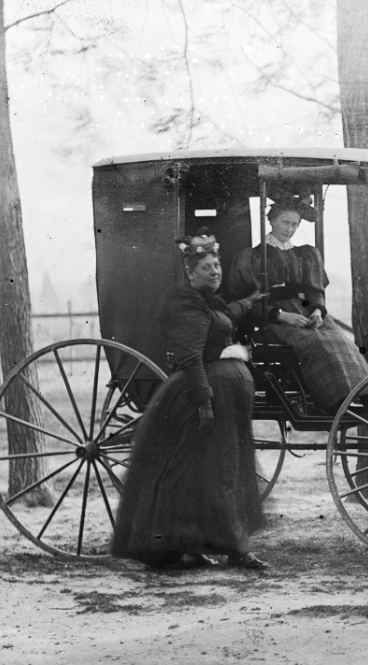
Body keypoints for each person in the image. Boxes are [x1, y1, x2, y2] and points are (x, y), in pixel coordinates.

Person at [112, 230, 269, 570]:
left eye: (217, 266)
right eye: (207, 268)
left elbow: (224, 316)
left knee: (214, 470)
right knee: (216, 471)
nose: (215, 272)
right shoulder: (182, 302)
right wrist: (205, 402)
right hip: (201, 397)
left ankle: (199, 546)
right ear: (190, 272)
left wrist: (250, 301)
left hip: (222, 395)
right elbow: (191, 356)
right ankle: (233, 549)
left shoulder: (206, 301)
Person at [228, 194, 368, 413]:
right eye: (285, 222)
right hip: (270, 319)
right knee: (316, 345)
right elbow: (248, 301)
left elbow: (315, 290)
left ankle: (362, 395)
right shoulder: (252, 257)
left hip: (303, 310)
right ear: (272, 220)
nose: (290, 229)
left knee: (342, 341)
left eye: (295, 224)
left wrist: (316, 310)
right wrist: (283, 316)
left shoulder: (305, 254)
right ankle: (333, 402)